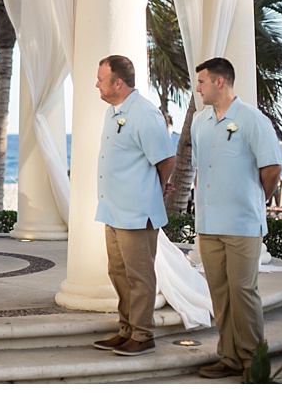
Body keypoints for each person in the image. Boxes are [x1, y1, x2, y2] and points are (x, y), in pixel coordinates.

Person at [191, 57, 282, 379]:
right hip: (208, 225)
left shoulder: (252, 120)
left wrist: (256, 201)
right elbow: (200, 171)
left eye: (201, 81)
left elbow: (271, 168)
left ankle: (254, 363)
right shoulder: (199, 122)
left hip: (243, 224)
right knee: (220, 293)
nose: (197, 87)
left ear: (219, 82)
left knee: (243, 293)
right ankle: (228, 356)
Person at [91, 55, 176, 357]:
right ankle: (126, 329)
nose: (96, 84)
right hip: (113, 210)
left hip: (138, 212)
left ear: (118, 83)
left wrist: (157, 188)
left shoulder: (144, 113)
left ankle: (143, 334)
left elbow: (166, 159)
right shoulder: (112, 112)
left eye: (101, 79)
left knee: (139, 276)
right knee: (118, 273)